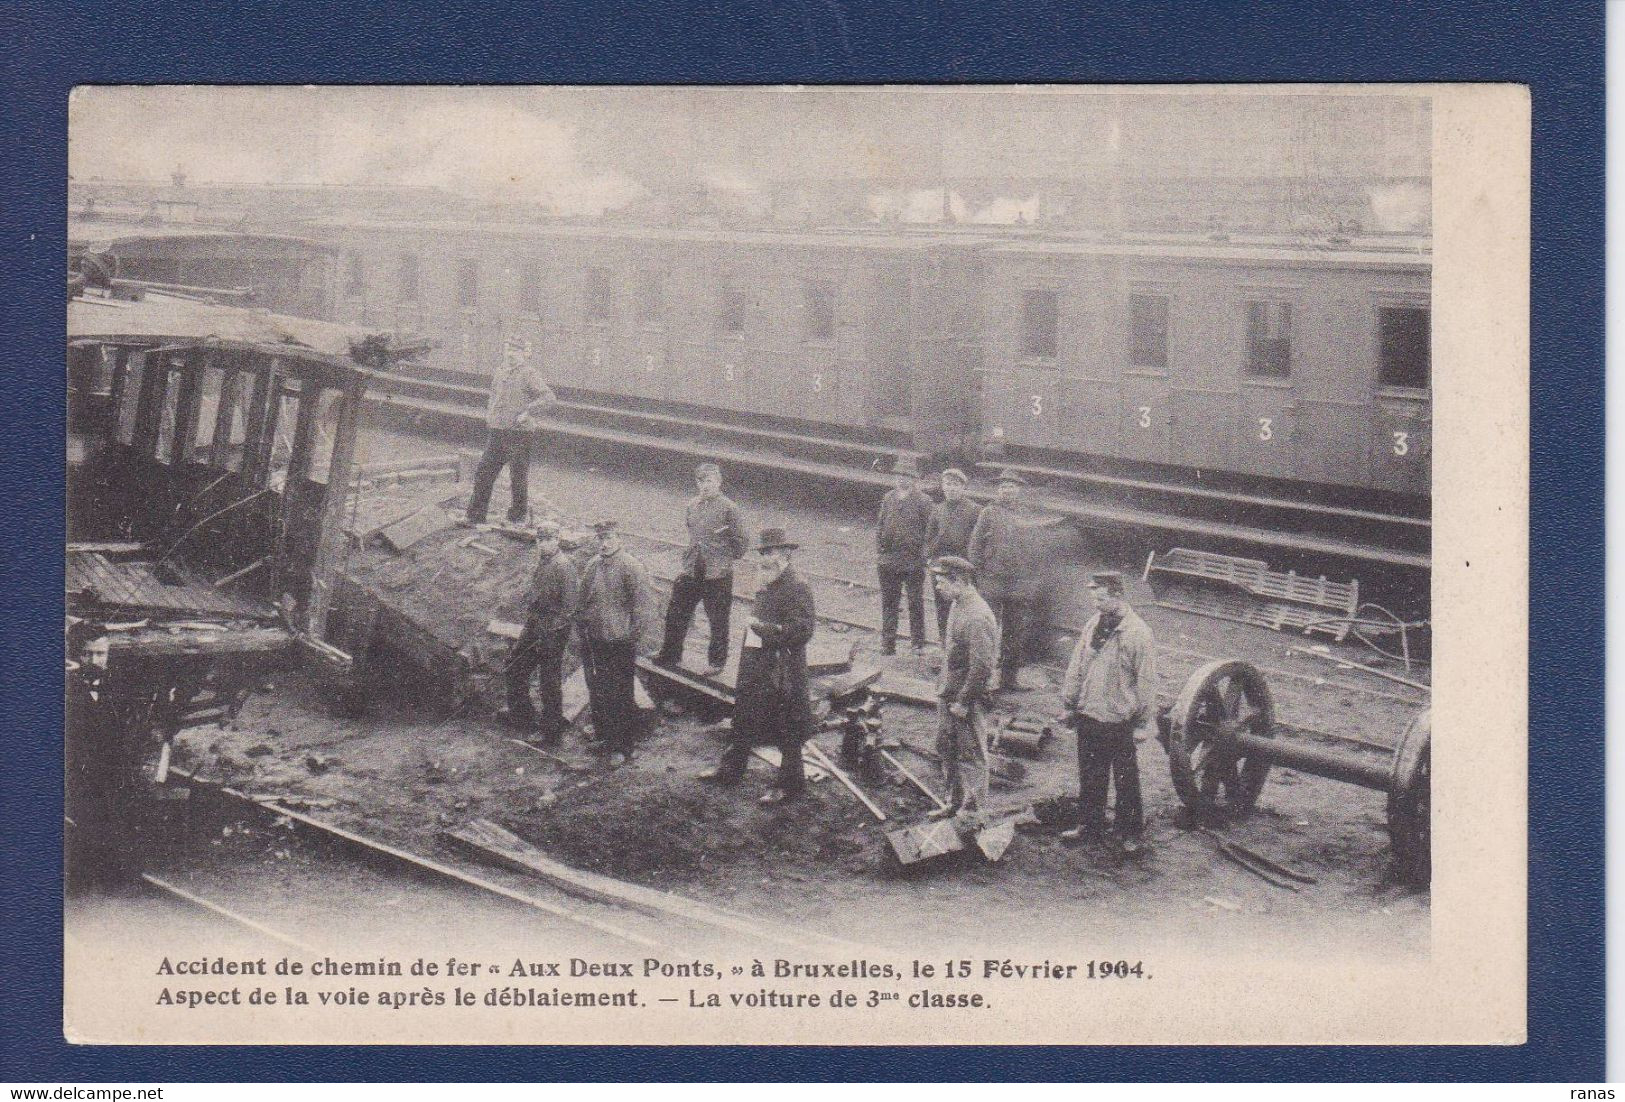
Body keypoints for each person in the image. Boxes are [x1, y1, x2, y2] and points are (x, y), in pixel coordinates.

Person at [699, 527, 815, 805]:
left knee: (786, 726)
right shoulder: (766, 579)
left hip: (782, 667)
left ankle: (790, 785)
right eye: (763, 552)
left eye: (771, 552)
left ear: (786, 553)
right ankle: (730, 770)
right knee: (744, 715)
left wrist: (766, 630)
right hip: (755, 661)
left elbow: (804, 630)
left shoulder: (797, 585)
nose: (765, 558)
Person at [1058, 571, 1158, 856]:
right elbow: (1077, 665)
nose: (1096, 604)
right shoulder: (1094, 624)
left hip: (1119, 719)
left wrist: (1142, 722)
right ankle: (1090, 825)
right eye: (1094, 598)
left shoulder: (1137, 632)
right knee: (1090, 774)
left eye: (1101, 598)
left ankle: (1130, 833)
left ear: (1117, 595)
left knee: (1126, 778)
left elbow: (1147, 681)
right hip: (1090, 713)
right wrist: (1069, 704)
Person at [656, 462, 748, 677]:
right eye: (700, 481)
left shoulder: (729, 508)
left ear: (718, 482)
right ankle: (671, 654)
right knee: (677, 612)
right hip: (692, 568)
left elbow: (741, 542)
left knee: (717, 619)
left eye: (709, 481)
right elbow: (692, 532)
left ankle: (717, 662)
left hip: (717, 573)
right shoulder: (692, 505)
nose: (704, 485)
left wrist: (723, 559)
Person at [574, 520, 655, 766]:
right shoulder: (592, 566)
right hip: (595, 638)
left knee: (620, 692)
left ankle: (622, 746)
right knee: (597, 689)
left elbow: (643, 607)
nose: (604, 543)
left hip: (620, 641)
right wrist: (582, 628)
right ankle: (604, 736)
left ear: (619, 538)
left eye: (609, 537)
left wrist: (631, 637)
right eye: (600, 538)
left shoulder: (631, 567)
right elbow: (582, 601)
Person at [926, 555, 998, 819]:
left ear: (960, 581)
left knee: (971, 754)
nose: (937, 587)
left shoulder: (978, 616)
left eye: (941, 581)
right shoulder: (958, 604)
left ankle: (973, 814)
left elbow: (981, 667)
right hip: (949, 692)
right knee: (947, 748)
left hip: (965, 699)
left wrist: (963, 702)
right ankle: (953, 803)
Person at [500, 520, 580, 745]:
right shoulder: (543, 562)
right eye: (541, 540)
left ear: (557, 541)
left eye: (549, 540)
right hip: (535, 624)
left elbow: (570, 608)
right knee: (515, 667)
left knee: (549, 680)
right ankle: (522, 716)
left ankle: (551, 731)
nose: (544, 544)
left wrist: (551, 633)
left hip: (553, 631)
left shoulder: (564, 566)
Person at [465, 335, 556, 527]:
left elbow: (549, 398)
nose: (511, 355)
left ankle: (517, 517)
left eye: (515, 351)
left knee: (518, 476)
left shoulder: (529, 374)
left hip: (519, 434)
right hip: (498, 431)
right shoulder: (500, 372)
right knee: (484, 472)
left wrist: (528, 411)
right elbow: (493, 396)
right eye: (508, 350)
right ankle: (475, 516)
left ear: (524, 354)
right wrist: (491, 416)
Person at [968, 468, 1031, 691]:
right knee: (988, 630)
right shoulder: (988, 512)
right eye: (1003, 487)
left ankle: (1009, 680)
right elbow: (975, 545)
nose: (1007, 491)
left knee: (1015, 632)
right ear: (998, 490)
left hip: (1018, 582)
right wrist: (976, 574)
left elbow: (1037, 546)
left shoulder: (1026, 513)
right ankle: (983, 679)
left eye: (1011, 487)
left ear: (1019, 491)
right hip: (992, 579)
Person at [875, 455, 934, 656]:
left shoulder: (924, 501)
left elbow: (929, 530)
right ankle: (887, 643)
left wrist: (924, 555)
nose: (903, 479)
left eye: (907, 476)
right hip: (889, 559)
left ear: (914, 479)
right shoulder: (888, 498)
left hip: (913, 560)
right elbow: (880, 525)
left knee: (915, 602)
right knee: (889, 602)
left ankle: (917, 643)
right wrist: (880, 551)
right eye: (900, 475)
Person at [924, 468, 984, 643]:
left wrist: (973, 564)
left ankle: (964, 641)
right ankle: (945, 641)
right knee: (942, 606)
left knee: (965, 605)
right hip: (940, 567)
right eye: (948, 484)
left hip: (963, 567)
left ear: (964, 488)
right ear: (943, 487)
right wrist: (929, 559)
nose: (951, 488)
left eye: (956, 485)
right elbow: (929, 536)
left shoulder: (975, 510)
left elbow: (979, 540)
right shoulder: (938, 509)